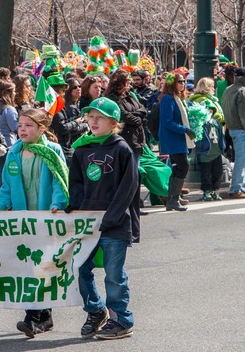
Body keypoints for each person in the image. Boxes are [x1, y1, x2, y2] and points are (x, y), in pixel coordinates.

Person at [0, 108, 68, 338]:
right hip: (23, 222)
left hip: (46, 220)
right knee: (27, 268)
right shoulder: (14, 152)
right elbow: (7, 188)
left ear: (42, 128)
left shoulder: (52, 151)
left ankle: (41, 316)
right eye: (20, 125)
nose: (22, 129)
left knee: (44, 267)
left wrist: (58, 205)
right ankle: (34, 317)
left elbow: (60, 182)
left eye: (28, 125)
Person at [68, 97, 138, 340]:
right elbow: (76, 183)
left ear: (113, 122)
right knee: (80, 268)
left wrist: (112, 216)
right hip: (87, 222)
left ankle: (121, 318)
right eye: (90, 117)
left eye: (100, 117)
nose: (94, 121)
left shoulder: (121, 149)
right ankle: (96, 310)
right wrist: (75, 210)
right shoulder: (82, 148)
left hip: (114, 223)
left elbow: (128, 187)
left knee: (113, 274)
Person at [104, 69, 147, 215]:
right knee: (126, 176)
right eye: (127, 80)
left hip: (137, 140)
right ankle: (124, 207)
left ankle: (135, 206)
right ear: (120, 82)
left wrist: (138, 116)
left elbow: (143, 109)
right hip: (124, 140)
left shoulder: (130, 95)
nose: (130, 83)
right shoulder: (113, 98)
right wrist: (137, 117)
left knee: (135, 175)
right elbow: (123, 116)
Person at [158, 73, 196, 211]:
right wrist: (184, 129)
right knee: (183, 166)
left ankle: (172, 199)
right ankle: (173, 199)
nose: (182, 84)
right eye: (179, 81)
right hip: (172, 138)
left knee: (177, 167)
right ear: (172, 83)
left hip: (177, 137)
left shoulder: (177, 98)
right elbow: (168, 121)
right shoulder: (168, 99)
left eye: (184, 81)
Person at [221, 68, 245, 198]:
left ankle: (241, 187)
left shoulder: (228, 89)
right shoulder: (242, 92)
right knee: (241, 162)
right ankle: (236, 189)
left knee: (240, 161)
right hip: (241, 129)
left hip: (231, 128)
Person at [50, 75, 88, 166]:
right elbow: (62, 127)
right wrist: (80, 123)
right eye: (75, 87)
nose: (78, 89)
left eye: (80, 86)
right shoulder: (56, 105)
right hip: (62, 146)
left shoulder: (61, 103)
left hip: (65, 145)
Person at [195, 102, 226, 201]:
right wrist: (201, 146)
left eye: (211, 110)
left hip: (216, 152)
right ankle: (207, 191)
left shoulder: (216, 122)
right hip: (205, 153)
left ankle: (215, 190)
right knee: (205, 174)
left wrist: (222, 147)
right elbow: (197, 137)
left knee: (218, 172)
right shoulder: (200, 123)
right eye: (207, 109)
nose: (210, 112)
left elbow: (221, 135)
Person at [0, 80, 19, 184]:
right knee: (8, 179)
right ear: (9, 93)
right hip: (9, 147)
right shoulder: (9, 109)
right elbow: (16, 128)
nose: (15, 94)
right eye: (14, 91)